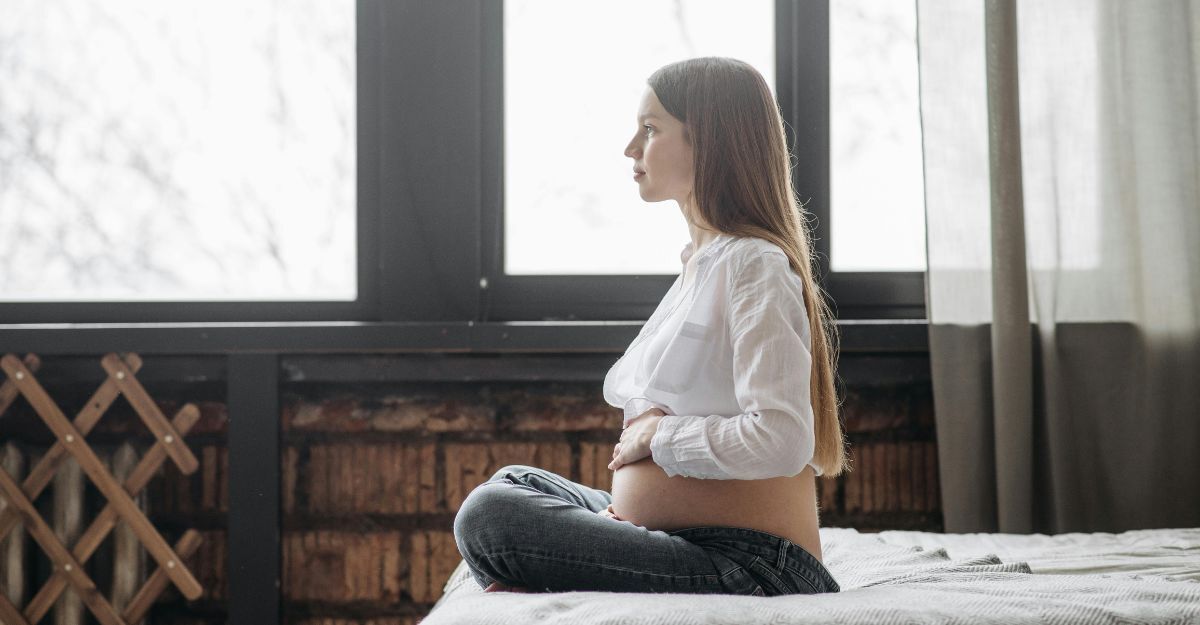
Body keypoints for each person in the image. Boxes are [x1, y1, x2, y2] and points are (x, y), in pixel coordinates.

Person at [452, 56, 848, 597]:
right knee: (515, 484)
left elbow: (781, 439)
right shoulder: (704, 264)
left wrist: (659, 434)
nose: (631, 148)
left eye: (650, 129)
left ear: (707, 142)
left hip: (755, 562)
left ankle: (547, 566)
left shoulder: (752, 264)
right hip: (685, 537)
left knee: (491, 515)